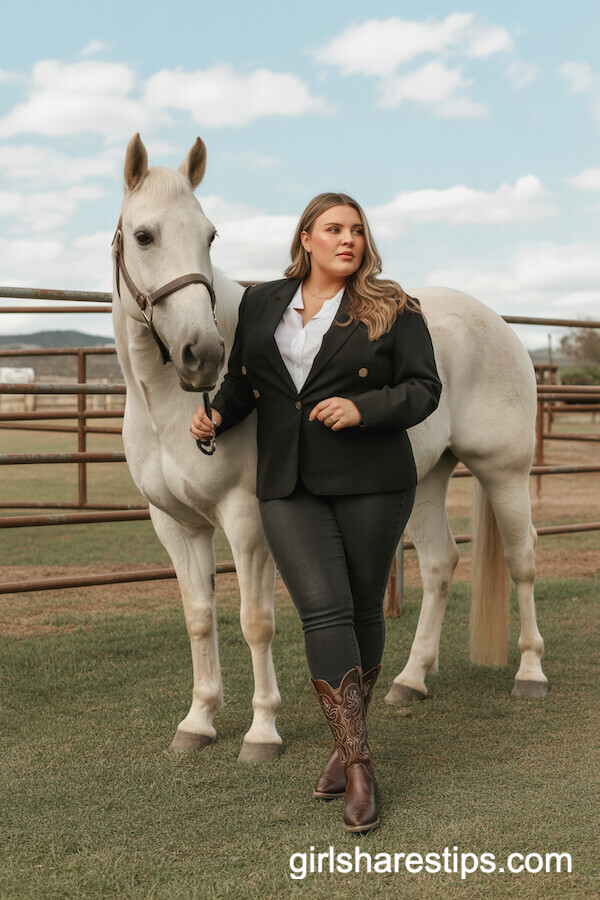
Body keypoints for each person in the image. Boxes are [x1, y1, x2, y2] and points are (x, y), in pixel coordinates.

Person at [190, 192, 442, 832]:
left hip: (372, 480)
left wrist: (365, 409)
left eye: (356, 230)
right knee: (323, 611)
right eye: (333, 229)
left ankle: (343, 743)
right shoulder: (261, 302)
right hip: (289, 481)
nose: (347, 239)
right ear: (306, 237)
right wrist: (218, 411)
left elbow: (423, 388)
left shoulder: (392, 306)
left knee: (360, 610)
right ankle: (359, 765)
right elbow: (249, 381)